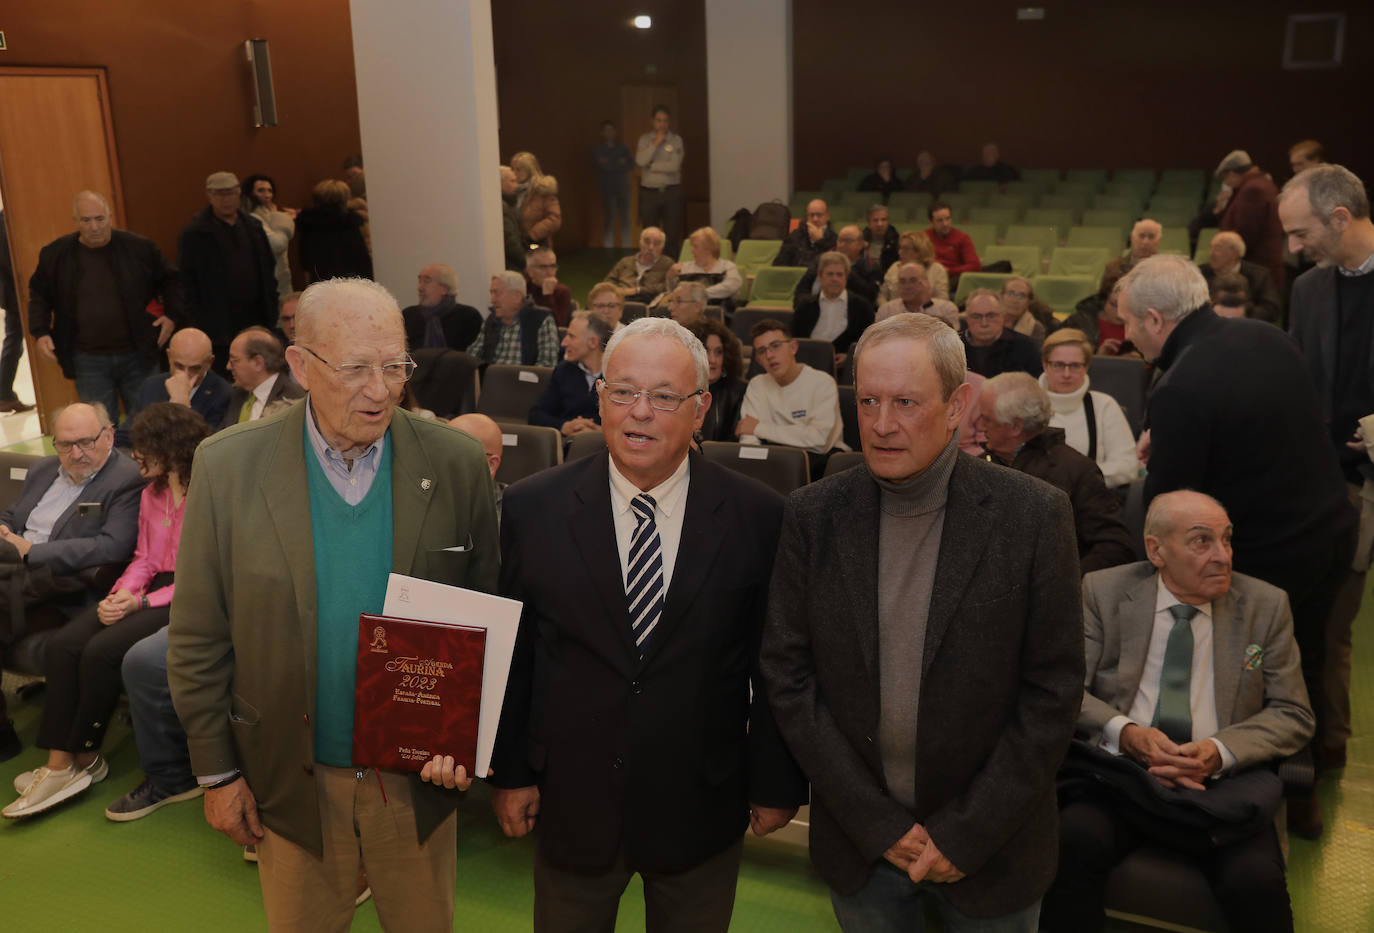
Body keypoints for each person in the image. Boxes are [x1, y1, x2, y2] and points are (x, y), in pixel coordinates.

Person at [167, 277, 499, 932]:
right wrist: (216, 773)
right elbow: (199, 635)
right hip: (289, 778)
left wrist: (462, 734)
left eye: (395, 366)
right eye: (355, 368)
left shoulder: (456, 462)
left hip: (413, 779)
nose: (380, 389)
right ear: (300, 365)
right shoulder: (229, 467)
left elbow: (482, 611)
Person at [760, 312, 1084, 932]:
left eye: (906, 402)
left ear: (959, 404)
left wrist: (967, 834)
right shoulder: (813, 513)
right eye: (870, 401)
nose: (882, 425)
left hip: (993, 852)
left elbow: (1053, 693)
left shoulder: (1034, 517)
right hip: (863, 850)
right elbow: (789, 676)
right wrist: (876, 824)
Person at [491, 317, 807, 933]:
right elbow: (519, 654)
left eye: (664, 397)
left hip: (701, 805)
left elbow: (776, 665)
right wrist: (511, 772)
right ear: (600, 395)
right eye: (622, 392)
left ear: (701, 410)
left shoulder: (759, 516)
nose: (639, 413)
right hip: (572, 803)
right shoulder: (534, 507)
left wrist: (774, 781)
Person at [1121, 253, 1354, 836]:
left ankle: (1267, 796)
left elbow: (1172, 511)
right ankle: (1313, 777)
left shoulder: (1179, 386)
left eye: (1126, 322)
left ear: (1154, 319)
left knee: (1252, 675)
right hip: (1328, 532)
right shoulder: (1265, 336)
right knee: (1313, 657)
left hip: (1266, 557)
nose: (1124, 335)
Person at [1041, 491, 1314, 933]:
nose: (1222, 556)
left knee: (1257, 883)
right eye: (1201, 541)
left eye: (1227, 540)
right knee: (1070, 844)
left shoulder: (1265, 606)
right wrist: (1126, 732)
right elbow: (1067, 689)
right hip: (1122, 778)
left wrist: (1218, 750)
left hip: (1221, 788)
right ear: (1156, 551)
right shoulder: (1105, 592)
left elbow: (1293, 711)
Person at [4, 404, 210, 819]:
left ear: (170, 450)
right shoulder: (153, 494)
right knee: (66, 644)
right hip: (147, 587)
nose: (135, 458)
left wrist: (142, 602)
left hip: (190, 594)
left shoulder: (208, 495)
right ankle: (68, 763)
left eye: (145, 449)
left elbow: (203, 571)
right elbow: (143, 558)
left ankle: (77, 757)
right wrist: (121, 594)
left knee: (102, 651)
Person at [1280, 163, 1374, 774]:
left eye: (1299, 233)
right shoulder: (1309, 289)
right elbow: (1295, 383)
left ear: (1340, 219)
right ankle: (1328, 748)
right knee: (1330, 621)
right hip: (1338, 485)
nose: (1292, 248)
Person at [0, 403, 144, 760]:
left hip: (60, 588)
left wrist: (32, 551)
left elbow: (112, 546)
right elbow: (15, 513)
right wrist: (4, 529)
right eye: (65, 444)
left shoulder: (126, 479)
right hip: (11, 574)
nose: (76, 454)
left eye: (85, 442)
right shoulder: (46, 468)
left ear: (108, 436)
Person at [29, 191, 183, 421]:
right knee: (99, 426)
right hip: (87, 359)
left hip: (138, 353)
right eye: (86, 220)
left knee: (150, 421)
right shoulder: (56, 254)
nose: (93, 227)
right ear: (76, 221)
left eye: (99, 219)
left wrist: (171, 316)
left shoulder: (139, 248)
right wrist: (40, 331)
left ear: (110, 217)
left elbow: (172, 281)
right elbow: (39, 294)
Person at [978, 373, 1134, 574]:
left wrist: (1060, 582)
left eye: (987, 419)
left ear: (1015, 426)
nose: (980, 426)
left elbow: (1116, 548)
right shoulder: (982, 466)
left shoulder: (1076, 471)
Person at [177, 172, 278, 368]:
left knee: (260, 370)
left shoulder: (253, 227)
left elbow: (268, 269)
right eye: (220, 194)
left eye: (231, 193)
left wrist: (271, 311)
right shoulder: (195, 234)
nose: (226, 199)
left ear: (239, 193)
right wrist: (196, 320)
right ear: (209, 195)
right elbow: (186, 281)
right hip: (216, 324)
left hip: (257, 318)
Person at [1038, 329, 1137, 488]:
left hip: (1089, 502)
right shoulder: (1026, 404)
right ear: (1045, 365)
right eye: (1058, 365)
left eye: (1075, 366)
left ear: (1086, 367)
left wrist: (1077, 479)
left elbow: (1127, 466)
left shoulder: (1104, 405)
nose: (1066, 374)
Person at [737, 319, 845, 456]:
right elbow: (748, 439)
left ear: (793, 347)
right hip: (773, 461)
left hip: (820, 462)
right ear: (758, 360)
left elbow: (819, 441)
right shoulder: (756, 385)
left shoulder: (823, 383)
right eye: (762, 351)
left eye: (775, 345)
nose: (769, 355)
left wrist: (758, 428)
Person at [121, 327, 232, 445]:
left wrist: (181, 406)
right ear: (169, 356)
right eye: (179, 366)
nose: (185, 375)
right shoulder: (151, 385)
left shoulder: (222, 393)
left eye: (195, 368)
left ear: (209, 362)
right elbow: (126, 435)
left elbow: (205, 447)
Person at [529, 311, 610, 437]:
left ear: (593, 343)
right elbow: (536, 415)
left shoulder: (618, 375)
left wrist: (600, 432)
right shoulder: (563, 371)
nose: (563, 343)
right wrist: (564, 426)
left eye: (571, 336)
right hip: (568, 446)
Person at [1214, 150, 1285, 289]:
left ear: (1232, 174)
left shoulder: (1252, 189)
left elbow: (1246, 232)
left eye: (1226, 178)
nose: (1227, 183)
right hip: (1263, 263)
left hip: (1257, 264)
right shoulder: (1262, 183)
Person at [793, 252, 876, 366]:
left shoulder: (862, 307)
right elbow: (794, 338)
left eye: (839, 274)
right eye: (830, 274)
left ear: (846, 277)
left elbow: (868, 341)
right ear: (820, 277)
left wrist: (849, 357)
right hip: (808, 362)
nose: (834, 279)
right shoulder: (805, 306)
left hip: (847, 366)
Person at [220, 326, 304, 430]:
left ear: (258, 362)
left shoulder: (295, 398)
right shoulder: (237, 395)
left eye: (235, 361)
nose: (228, 366)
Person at [468, 271, 559, 367]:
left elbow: (547, 365)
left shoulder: (542, 319)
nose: (492, 300)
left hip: (524, 381)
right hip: (491, 380)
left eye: (496, 293)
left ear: (516, 297)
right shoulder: (491, 320)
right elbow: (471, 357)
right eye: (491, 293)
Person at [295, 179, 372, 283]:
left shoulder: (309, 222)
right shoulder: (351, 222)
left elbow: (305, 256)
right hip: (352, 278)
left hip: (320, 277)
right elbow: (361, 257)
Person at [1198, 230, 1282, 323]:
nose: (1211, 253)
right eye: (1211, 248)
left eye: (1217, 248)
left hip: (1248, 327)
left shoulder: (1259, 275)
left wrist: (1242, 315)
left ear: (1234, 253)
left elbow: (1271, 309)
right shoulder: (1200, 273)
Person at [636, 105, 686, 255]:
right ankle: (650, 269)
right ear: (652, 121)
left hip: (671, 192)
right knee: (649, 235)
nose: (662, 124)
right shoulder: (645, 140)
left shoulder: (676, 140)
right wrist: (655, 143)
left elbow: (674, 166)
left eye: (665, 121)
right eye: (658, 120)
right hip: (649, 193)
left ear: (669, 122)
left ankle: (671, 269)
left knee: (672, 234)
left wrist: (653, 166)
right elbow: (640, 161)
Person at [688, 316, 745, 442]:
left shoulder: (738, 392)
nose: (713, 360)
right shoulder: (679, 388)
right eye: (706, 351)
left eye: (718, 352)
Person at [402, 263, 483, 352]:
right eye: (419, 281)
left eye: (426, 281)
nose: (420, 288)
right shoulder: (408, 315)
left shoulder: (468, 316)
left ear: (444, 289)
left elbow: (475, 358)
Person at [240, 172, 296, 299]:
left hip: (280, 279)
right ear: (250, 193)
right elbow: (277, 244)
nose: (267, 195)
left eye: (270, 191)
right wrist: (283, 219)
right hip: (266, 282)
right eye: (261, 190)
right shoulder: (251, 218)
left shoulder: (270, 214)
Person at [961, 290, 1041, 378]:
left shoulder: (1026, 347)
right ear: (967, 319)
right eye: (976, 317)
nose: (984, 323)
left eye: (991, 316)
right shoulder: (955, 346)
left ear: (1003, 317)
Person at [0, 206, 33, 412]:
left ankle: (4, 393)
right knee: (14, 341)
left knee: (13, 341)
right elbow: (10, 262)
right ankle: (3, 393)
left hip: (12, 292)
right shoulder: (5, 221)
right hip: (16, 293)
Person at [1063, 262, 1132, 354]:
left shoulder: (1144, 326)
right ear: (1104, 300)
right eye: (1114, 305)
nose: (1120, 313)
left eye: (1127, 307)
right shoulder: (1080, 323)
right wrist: (1098, 358)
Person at [666, 227, 742, 304]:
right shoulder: (684, 268)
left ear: (708, 249)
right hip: (690, 313)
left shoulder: (727, 266)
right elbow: (674, 294)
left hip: (721, 311)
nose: (691, 250)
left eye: (695, 246)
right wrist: (670, 277)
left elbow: (731, 286)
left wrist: (698, 294)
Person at [876, 262, 958, 327]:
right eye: (902, 281)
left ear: (926, 283)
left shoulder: (946, 309)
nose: (907, 286)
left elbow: (952, 343)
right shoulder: (886, 311)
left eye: (913, 280)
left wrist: (926, 305)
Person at [606, 226, 673, 302]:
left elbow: (667, 286)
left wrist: (638, 290)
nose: (651, 247)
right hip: (620, 302)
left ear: (662, 246)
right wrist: (617, 291)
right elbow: (609, 282)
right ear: (640, 243)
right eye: (647, 242)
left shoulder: (667, 263)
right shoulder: (625, 261)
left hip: (648, 304)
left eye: (656, 243)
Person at [594, 120, 633, 248]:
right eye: (606, 130)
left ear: (615, 132)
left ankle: (627, 249)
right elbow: (603, 167)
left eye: (611, 130)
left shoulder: (622, 148)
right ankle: (607, 250)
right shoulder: (599, 149)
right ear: (602, 133)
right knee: (609, 221)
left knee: (625, 221)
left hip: (623, 188)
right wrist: (619, 162)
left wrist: (611, 162)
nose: (609, 133)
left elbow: (631, 165)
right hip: (607, 190)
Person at [879, 231, 950, 301]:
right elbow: (882, 295)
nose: (899, 252)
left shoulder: (937, 270)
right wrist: (886, 308)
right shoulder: (895, 267)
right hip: (895, 311)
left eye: (905, 249)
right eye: (900, 248)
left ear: (919, 251)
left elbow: (942, 299)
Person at [774, 199, 836, 271]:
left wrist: (820, 242)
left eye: (819, 215)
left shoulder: (834, 239)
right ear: (807, 217)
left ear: (827, 216)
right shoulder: (795, 236)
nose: (815, 219)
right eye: (811, 215)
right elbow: (778, 264)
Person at [924, 201, 981, 276]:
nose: (945, 224)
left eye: (948, 219)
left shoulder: (962, 238)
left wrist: (949, 271)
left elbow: (975, 266)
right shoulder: (924, 237)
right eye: (940, 220)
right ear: (931, 222)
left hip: (954, 277)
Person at [998, 276, 1056, 346]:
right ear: (1001, 296)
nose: (1015, 300)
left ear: (1029, 302)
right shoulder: (988, 320)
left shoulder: (1035, 328)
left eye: (1021, 296)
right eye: (1011, 294)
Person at [526, 247, 573, 327]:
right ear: (529, 271)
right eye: (543, 267)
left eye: (553, 266)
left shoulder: (562, 292)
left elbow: (558, 326)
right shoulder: (523, 289)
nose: (549, 272)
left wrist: (548, 295)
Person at [521, 173, 563, 249]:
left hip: (538, 243)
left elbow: (554, 220)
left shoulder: (546, 193)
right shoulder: (520, 195)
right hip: (522, 243)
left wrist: (533, 234)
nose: (514, 173)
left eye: (518, 169)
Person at [862, 204, 901, 276]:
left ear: (888, 222)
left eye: (883, 220)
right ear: (869, 223)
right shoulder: (860, 241)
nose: (880, 224)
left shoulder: (898, 243)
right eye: (875, 220)